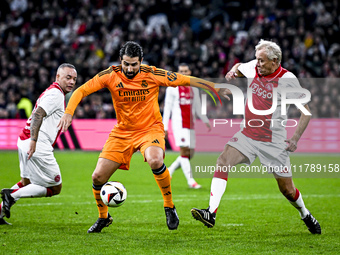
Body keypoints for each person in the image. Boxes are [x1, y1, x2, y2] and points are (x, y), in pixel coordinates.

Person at [57, 41, 220, 233]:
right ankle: (103, 217)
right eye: (126, 63)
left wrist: (213, 86)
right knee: (98, 176)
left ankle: (169, 206)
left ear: (141, 62)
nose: (130, 68)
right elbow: (82, 90)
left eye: (134, 64)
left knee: (155, 160)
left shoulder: (152, 73)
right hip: (122, 132)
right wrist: (69, 112)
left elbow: (184, 79)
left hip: (149, 129)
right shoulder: (110, 74)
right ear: (121, 61)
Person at [191, 39, 321, 234]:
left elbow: (306, 112)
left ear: (275, 61)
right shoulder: (254, 66)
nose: (257, 64)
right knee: (223, 160)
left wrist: (294, 139)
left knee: (287, 190)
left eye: (262, 61)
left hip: (274, 142)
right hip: (248, 135)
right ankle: (211, 212)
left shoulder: (288, 80)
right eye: (257, 60)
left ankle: (305, 213)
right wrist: (233, 72)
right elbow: (239, 67)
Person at [0, 63, 77, 225]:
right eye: (68, 77)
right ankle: (10, 195)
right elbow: (37, 115)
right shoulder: (56, 94)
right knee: (55, 187)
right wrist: (34, 141)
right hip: (36, 143)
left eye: (74, 79)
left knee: (26, 182)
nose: (71, 82)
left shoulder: (52, 91)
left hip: (24, 139)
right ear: (58, 77)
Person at [163, 63, 211, 189]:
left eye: (186, 71)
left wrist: (205, 120)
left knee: (190, 154)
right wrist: (165, 127)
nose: (184, 73)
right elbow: (167, 108)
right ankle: (191, 181)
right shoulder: (172, 88)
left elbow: (197, 106)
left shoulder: (194, 87)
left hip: (190, 124)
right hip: (178, 124)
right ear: (178, 73)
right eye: (181, 71)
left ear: (189, 72)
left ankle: (169, 170)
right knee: (184, 152)